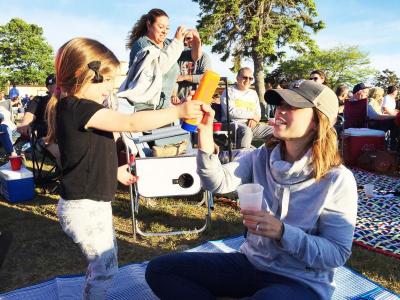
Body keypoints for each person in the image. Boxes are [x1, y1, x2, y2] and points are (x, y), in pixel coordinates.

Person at [145, 80, 358, 300]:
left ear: (318, 121)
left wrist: (283, 232)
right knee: (160, 269)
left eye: (292, 106)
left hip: (301, 282)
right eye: (279, 104)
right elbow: (217, 182)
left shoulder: (337, 179)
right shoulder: (261, 156)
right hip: (251, 265)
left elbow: (336, 254)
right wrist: (205, 133)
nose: (280, 111)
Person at [45, 37, 202, 300]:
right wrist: (178, 111)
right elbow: (130, 122)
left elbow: (87, 154)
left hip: (91, 203)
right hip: (85, 207)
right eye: (106, 80)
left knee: (104, 265)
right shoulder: (77, 107)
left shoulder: (81, 109)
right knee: (106, 267)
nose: (111, 87)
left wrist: (114, 171)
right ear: (83, 75)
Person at [126, 8, 185, 111]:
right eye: (161, 27)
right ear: (149, 25)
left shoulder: (168, 44)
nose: (164, 31)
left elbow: (174, 68)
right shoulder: (142, 44)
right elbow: (159, 66)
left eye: (167, 28)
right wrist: (177, 42)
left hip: (164, 107)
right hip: (144, 108)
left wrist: (196, 41)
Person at [220, 67, 273, 149]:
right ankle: (242, 159)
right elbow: (231, 112)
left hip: (251, 124)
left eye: (250, 78)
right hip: (232, 124)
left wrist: (255, 120)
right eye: (244, 77)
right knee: (246, 131)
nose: (248, 80)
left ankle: (269, 156)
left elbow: (258, 113)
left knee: (274, 131)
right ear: (237, 78)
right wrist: (252, 116)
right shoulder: (229, 91)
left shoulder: (253, 93)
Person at [17, 74, 60, 163]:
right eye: (56, 84)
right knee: (63, 154)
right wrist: (25, 124)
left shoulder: (69, 101)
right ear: (48, 87)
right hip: (48, 139)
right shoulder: (39, 100)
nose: (59, 87)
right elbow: (29, 115)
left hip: (69, 138)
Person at [174, 30, 212, 101]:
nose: (185, 42)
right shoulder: (178, 55)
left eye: (188, 38)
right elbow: (172, 77)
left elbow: (207, 78)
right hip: (178, 100)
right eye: (184, 39)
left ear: (197, 39)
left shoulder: (204, 57)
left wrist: (184, 77)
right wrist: (173, 95)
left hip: (196, 99)